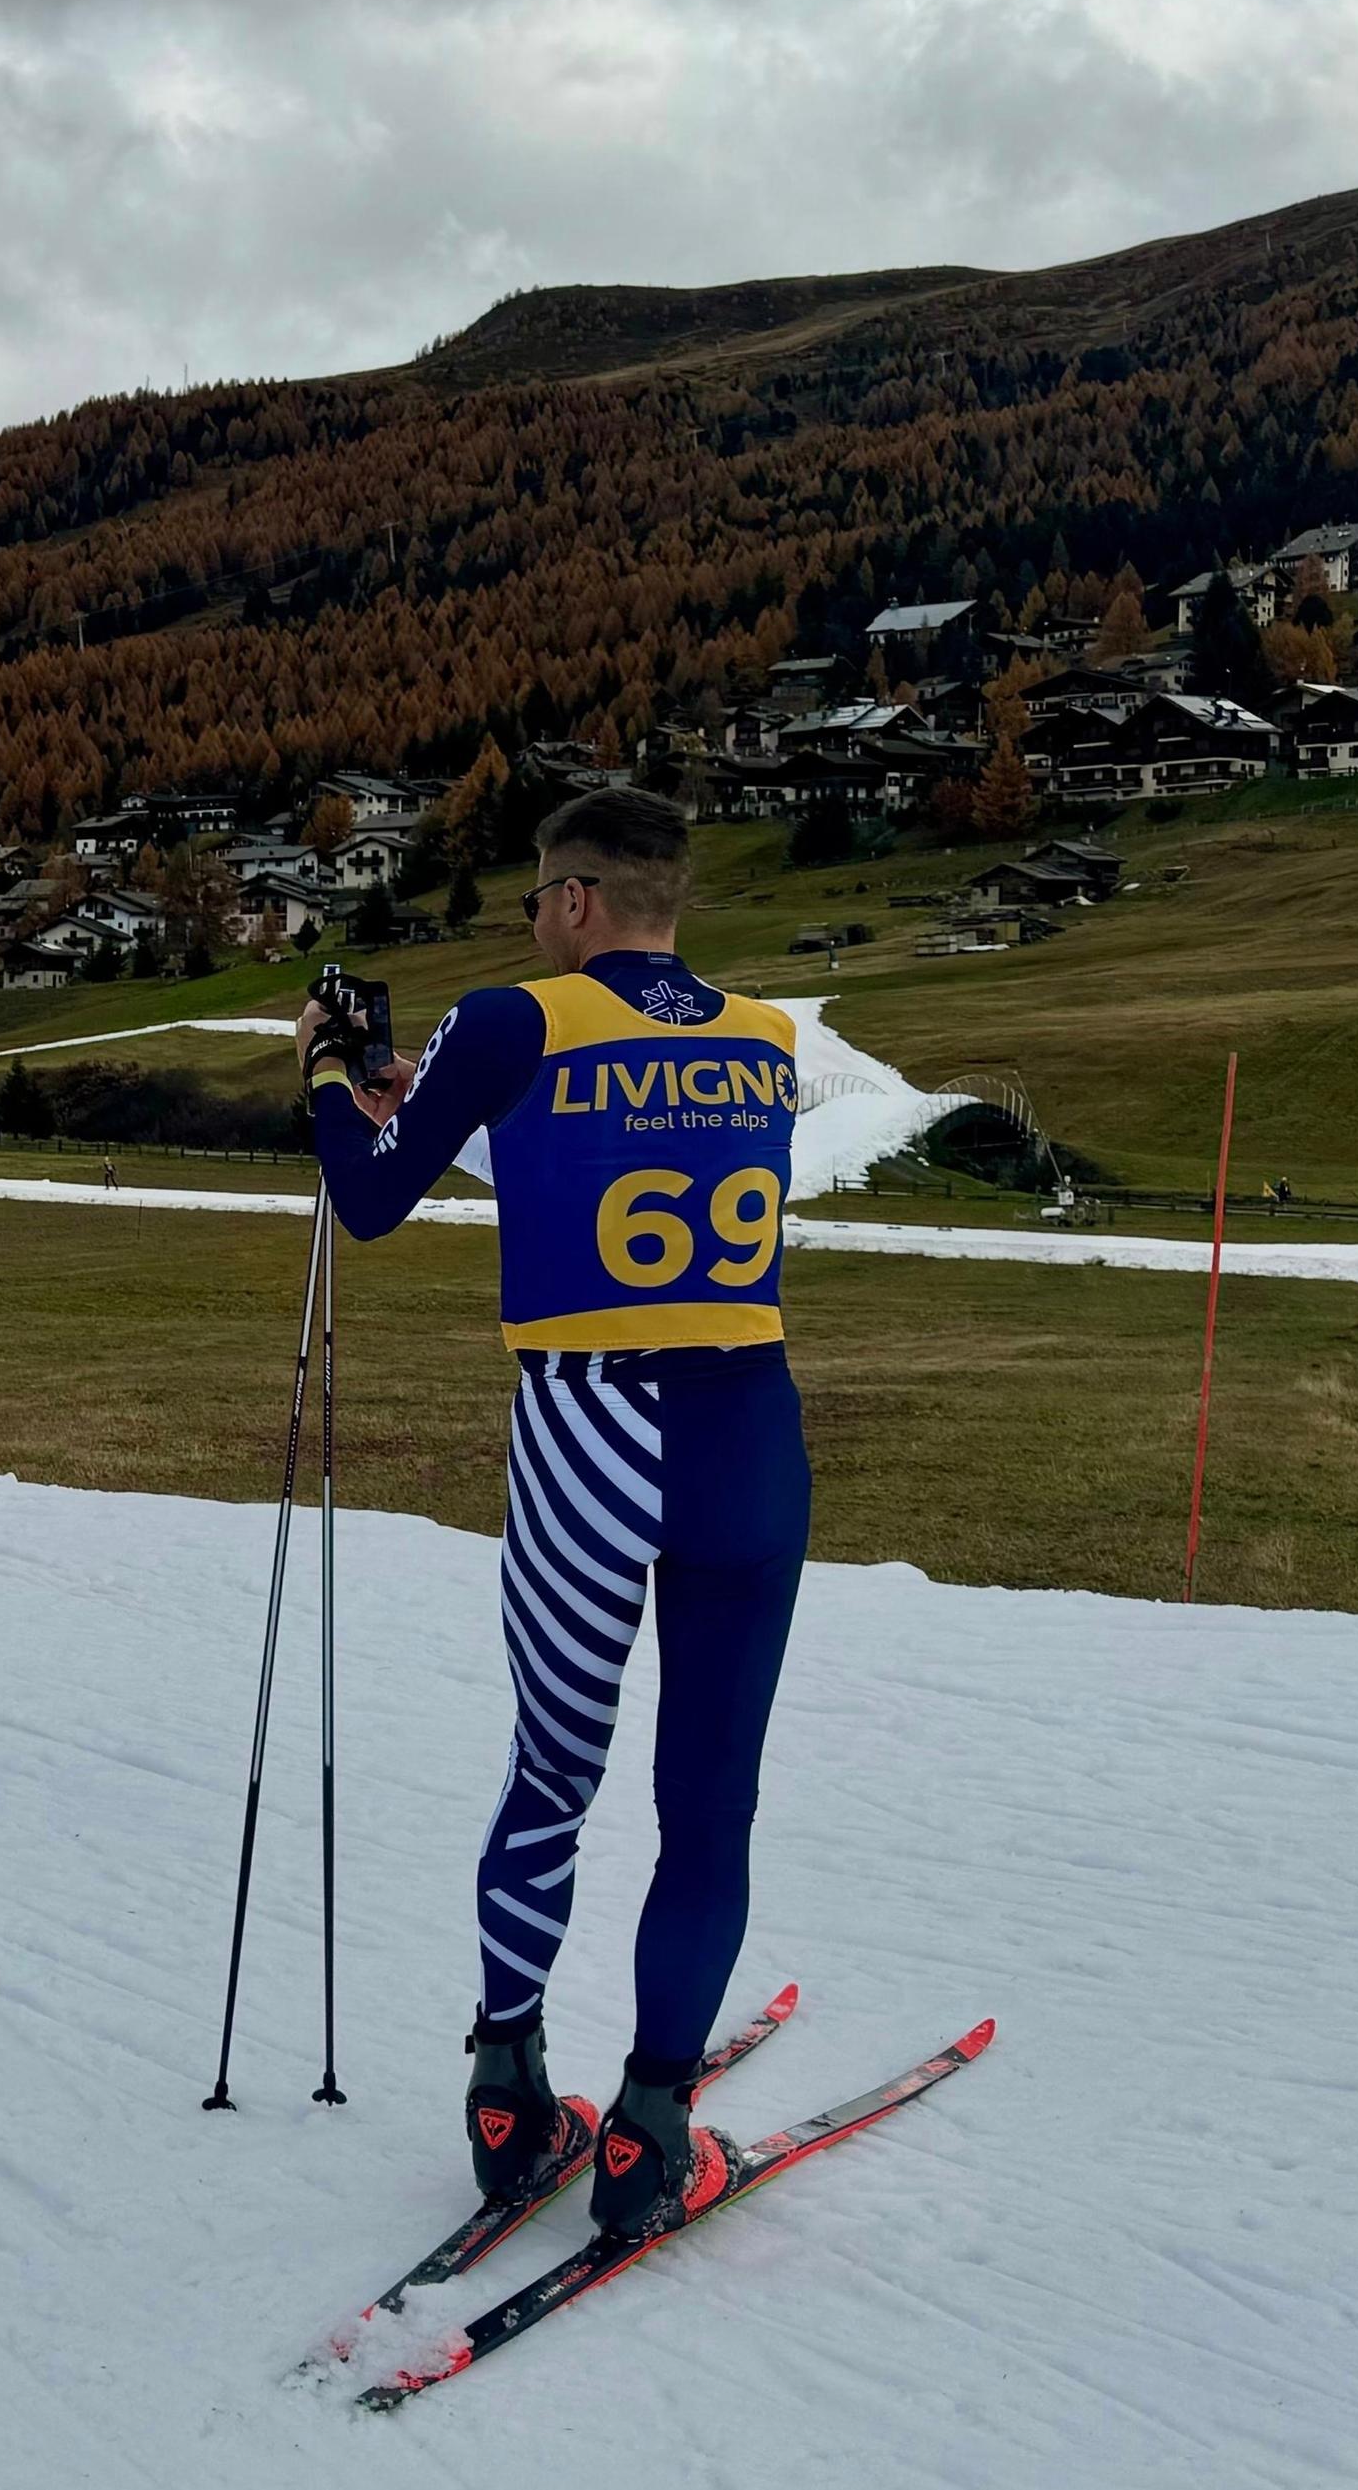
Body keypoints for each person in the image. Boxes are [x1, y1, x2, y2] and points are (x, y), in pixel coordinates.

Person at [299, 785, 810, 2245]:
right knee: (709, 1803)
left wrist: (336, 1080)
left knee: (553, 1773)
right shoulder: (766, 1038)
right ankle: (654, 2127)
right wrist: (441, 1094)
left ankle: (511, 2090)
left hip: (592, 1423)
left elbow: (370, 1201)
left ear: (577, 901)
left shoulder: (516, 1017)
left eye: (536, 902)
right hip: (747, 1427)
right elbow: (614, 1138)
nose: (530, 925)